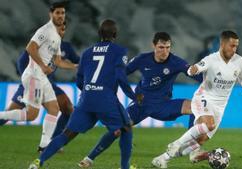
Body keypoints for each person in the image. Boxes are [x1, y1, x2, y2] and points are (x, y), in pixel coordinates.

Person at [78, 31, 203, 168]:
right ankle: (89, 159)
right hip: (141, 104)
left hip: (163, 105)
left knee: (195, 107)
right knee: (118, 129)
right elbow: (122, 73)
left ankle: (193, 150)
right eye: (161, 47)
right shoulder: (142, 59)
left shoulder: (176, 62)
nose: (165, 51)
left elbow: (194, 75)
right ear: (154, 46)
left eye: (168, 47)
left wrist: (212, 82)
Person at [28, 19, 137, 169]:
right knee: (126, 128)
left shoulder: (87, 52)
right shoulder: (120, 51)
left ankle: (38, 162)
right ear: (115, 34)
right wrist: (133, 96)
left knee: (67, 133)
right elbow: (121, 76)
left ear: (99, 34)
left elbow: (79, 79)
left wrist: (89, 91)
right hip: (106, 99)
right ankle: (124, 167)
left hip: (86, 99)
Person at [151, 30, 242, 168]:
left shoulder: (240, 61)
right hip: (204, 98)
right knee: (208, 125)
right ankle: (176, 143)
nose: (234, 49)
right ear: (222, 44)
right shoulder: (211, 59)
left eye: (236, 46)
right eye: (231, 45)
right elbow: (197, 67)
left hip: (220, 106)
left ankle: (163, 158)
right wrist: (192, 70)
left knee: (200, 140)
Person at [0, 2, 76, 151]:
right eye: (58, 13)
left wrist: (75, 66)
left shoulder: (57, 39)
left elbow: (58, 61)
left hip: (43, 79)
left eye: (63, 14)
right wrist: (41, 65)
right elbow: (29, 48)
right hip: (34, 77)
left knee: (54, 108)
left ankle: (45, 146)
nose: (61, 18)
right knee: (31, 115)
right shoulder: (45, 30)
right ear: (51, 14)